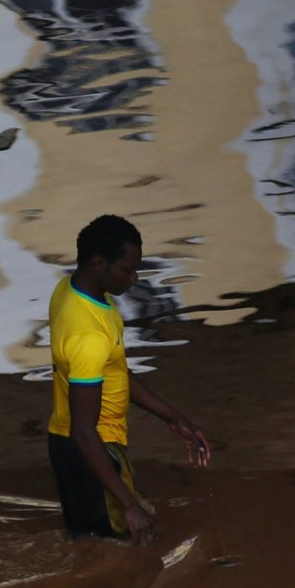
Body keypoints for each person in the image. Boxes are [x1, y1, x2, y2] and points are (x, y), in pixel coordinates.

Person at [47, 214, 211, 544]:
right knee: (133, 548)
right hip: (93, 452)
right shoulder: (87, 334)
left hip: (72, 446)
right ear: (97, 263)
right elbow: (84, 431)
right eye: (127, 269)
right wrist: (129, 504)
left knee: (89, 545)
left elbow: (116, 373)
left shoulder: (70, 290)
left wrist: (174, 419)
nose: (135, 278)